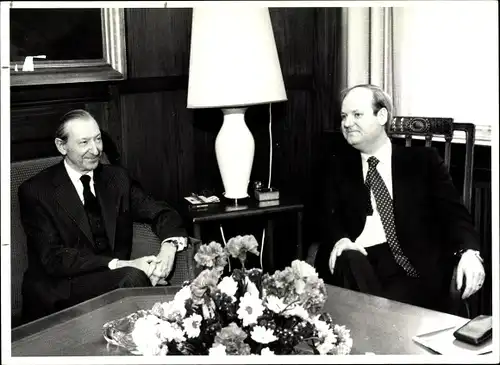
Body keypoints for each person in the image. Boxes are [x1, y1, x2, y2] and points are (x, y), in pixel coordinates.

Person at [314, 84, 485, 312]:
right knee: (350, 259)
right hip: (361, 262)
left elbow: (455, 215)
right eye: (344, 116)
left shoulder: (423, 162)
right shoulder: (336, 165)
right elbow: (321, 216)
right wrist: (340, 240)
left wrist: (470, 253)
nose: (346, 123)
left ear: (382, 116)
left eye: (357, 115)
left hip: (414, 265)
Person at [19, 109, 190, 321]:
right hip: (62, 288)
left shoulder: (117, 178)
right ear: (62, 146)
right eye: (84, 143)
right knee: (132, 277)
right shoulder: (36, 191)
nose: (95, 149)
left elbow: (161, 211)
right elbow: (54, 258)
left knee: (133, 278)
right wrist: (123, 265)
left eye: (98, 139)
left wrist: (168, 248)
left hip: (114, 279)